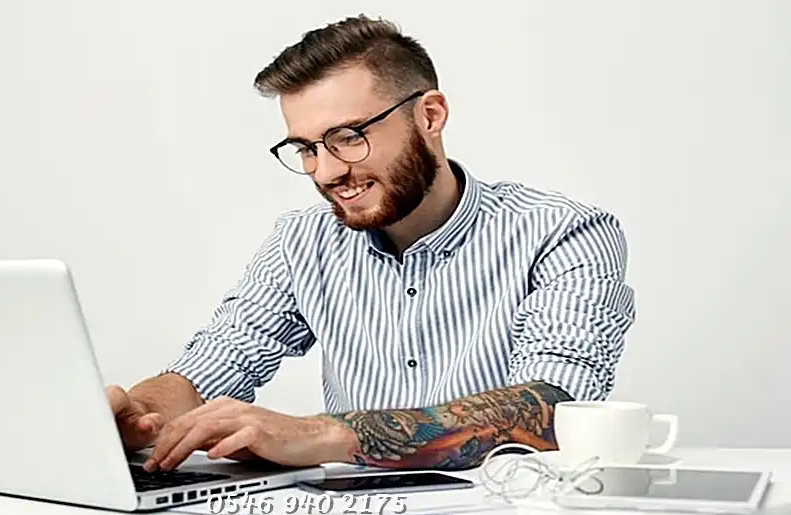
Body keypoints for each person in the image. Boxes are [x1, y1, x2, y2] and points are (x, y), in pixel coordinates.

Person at [105, 14, 636, 472]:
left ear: (430, 116)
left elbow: (556, 408)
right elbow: (215, 363)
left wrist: (324, 434)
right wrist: (140, 413)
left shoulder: (564, 232)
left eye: (348, 137)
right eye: (306, 148)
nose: (326, 171)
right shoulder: (302, 241)